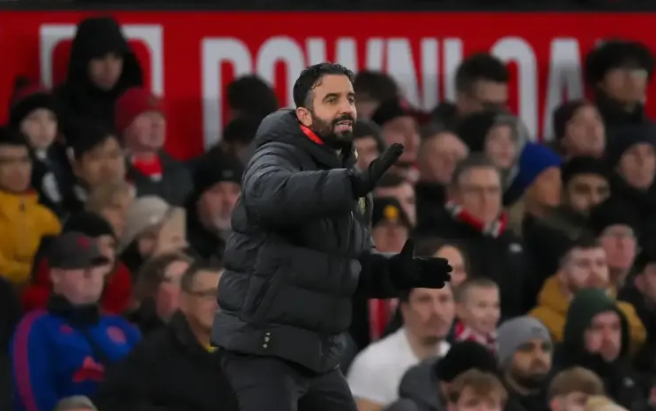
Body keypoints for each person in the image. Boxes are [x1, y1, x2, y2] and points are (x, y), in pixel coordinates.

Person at [212, 62, 452, 411]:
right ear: (305, 114)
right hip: (262, 346)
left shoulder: (350, 177)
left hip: (318, 354)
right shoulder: (277, 153)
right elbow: (268, 194)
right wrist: (347, 184)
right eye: (331, 99)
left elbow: (349, 266)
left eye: (349, 99)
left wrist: (393, 272)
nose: (344, 109)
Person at [11, 232, 140, 411]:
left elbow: (151, 381)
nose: (92, 274)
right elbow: (31, 396)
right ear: (55, 275)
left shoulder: (120, 326)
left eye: (97, 266)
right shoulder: (35, 327)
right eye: (80, 267)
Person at [96, 263, 238, 411]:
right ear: (184, 301)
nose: (218, 303)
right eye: (209, 295)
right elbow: (113, 400)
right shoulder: (154, 352)